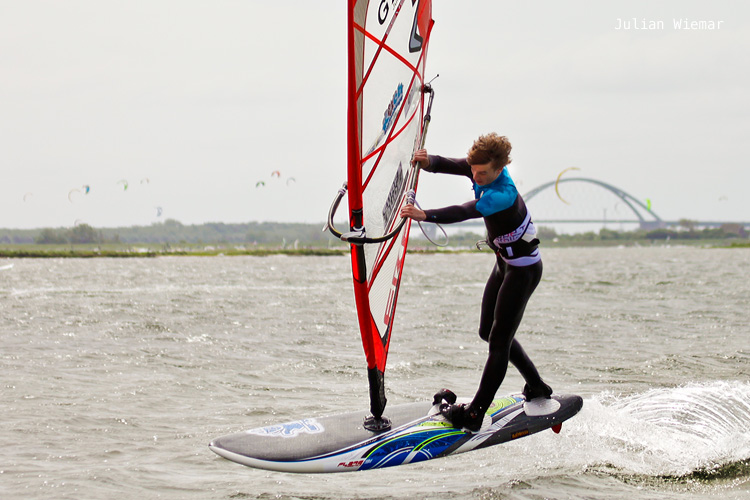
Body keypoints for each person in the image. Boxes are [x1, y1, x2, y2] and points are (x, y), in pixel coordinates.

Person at [400, 133, 552, 432]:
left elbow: (464, 211)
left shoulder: (502, 194)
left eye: (483, 173)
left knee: (498, 342)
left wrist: (424, 214)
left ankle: (475, 414)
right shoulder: (481, 171)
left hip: (523, 271)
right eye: (475, 171)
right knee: (488, 332)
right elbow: (459, 165)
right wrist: (429, 162)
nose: (476, 177)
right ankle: (536, 386)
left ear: (500, 169)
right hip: (504, 265)